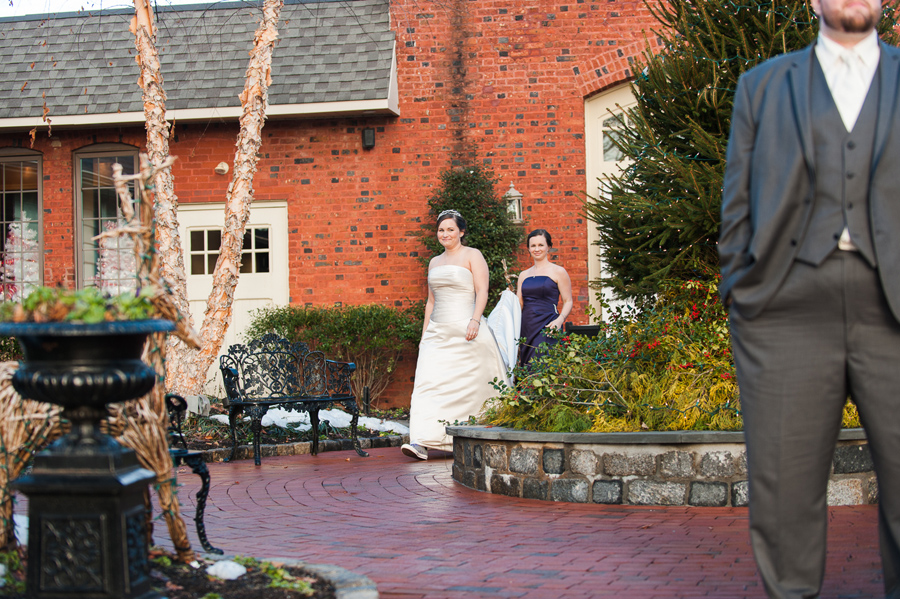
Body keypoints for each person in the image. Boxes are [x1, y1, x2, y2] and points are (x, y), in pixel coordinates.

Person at [719, 0, 900, 596]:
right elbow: (737, 208)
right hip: (784, 312)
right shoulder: (762, 86)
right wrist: (743, 298)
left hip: (895, 309)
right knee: (784, 501)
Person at [401, 210, 509, 461]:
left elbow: (482, 291)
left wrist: (474, 320)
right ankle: (421, 440)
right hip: (437, 332)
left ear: (461, 231)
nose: (445, 234)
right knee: (427, 385)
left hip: (466, 328)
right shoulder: (434, 262)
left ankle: (472, 436)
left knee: (471, 385)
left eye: (450, 229)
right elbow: (431, 301)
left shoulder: (473, 255)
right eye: (441, 230)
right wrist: (424, 333)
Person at [517, 229, 573, 367]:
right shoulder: (523, 275)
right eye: (533, 246)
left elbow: (568, 301)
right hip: (527, 327)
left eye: (541, 245)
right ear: (529, 249)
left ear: (548, 247)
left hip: (548, 325)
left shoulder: (558, 272)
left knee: (543, 366)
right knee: (527, 367)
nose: (537, 249)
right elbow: (519, 305)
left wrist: (560, 320)